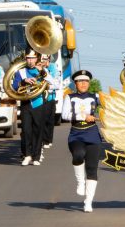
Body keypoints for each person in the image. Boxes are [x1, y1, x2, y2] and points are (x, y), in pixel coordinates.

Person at [61, 70, 103, 212]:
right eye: (80, 81)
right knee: (78, 155)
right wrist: (82, 116)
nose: (83, 84)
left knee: (92, 168)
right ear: (75, 83)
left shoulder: (96, 96)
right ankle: (80, 182)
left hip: (92, 134)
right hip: (76, 134)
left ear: (89, 83)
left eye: (86, 81)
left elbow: (107, 109)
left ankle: (88, 201)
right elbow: (65, 115)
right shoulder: (70, 97)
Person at [11, 49, 46, 166]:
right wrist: (23, 81)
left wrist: (43, 72)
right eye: (28, 58)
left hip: (39, 103)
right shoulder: (20, 72)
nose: (30, 61)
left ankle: (36, 156)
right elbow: (14, 87)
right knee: (26, 131)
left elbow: (53, 83)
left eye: (32, 58)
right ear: (25, 59)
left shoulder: (41, 71)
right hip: (26, 103)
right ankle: (27, 155)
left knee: (38, 130)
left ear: (37, 59)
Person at [40, 54, 61, 149]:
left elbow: (56, 84)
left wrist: (46, 86)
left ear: (48, 59)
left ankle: (48, 139)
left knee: (49, 120)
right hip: (39, 98)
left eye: (44, 59)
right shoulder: (38, 68)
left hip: (50, 98)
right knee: (42, 120)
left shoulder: (53, 68)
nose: (42, 61)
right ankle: (43, 140)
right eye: (41, 59)